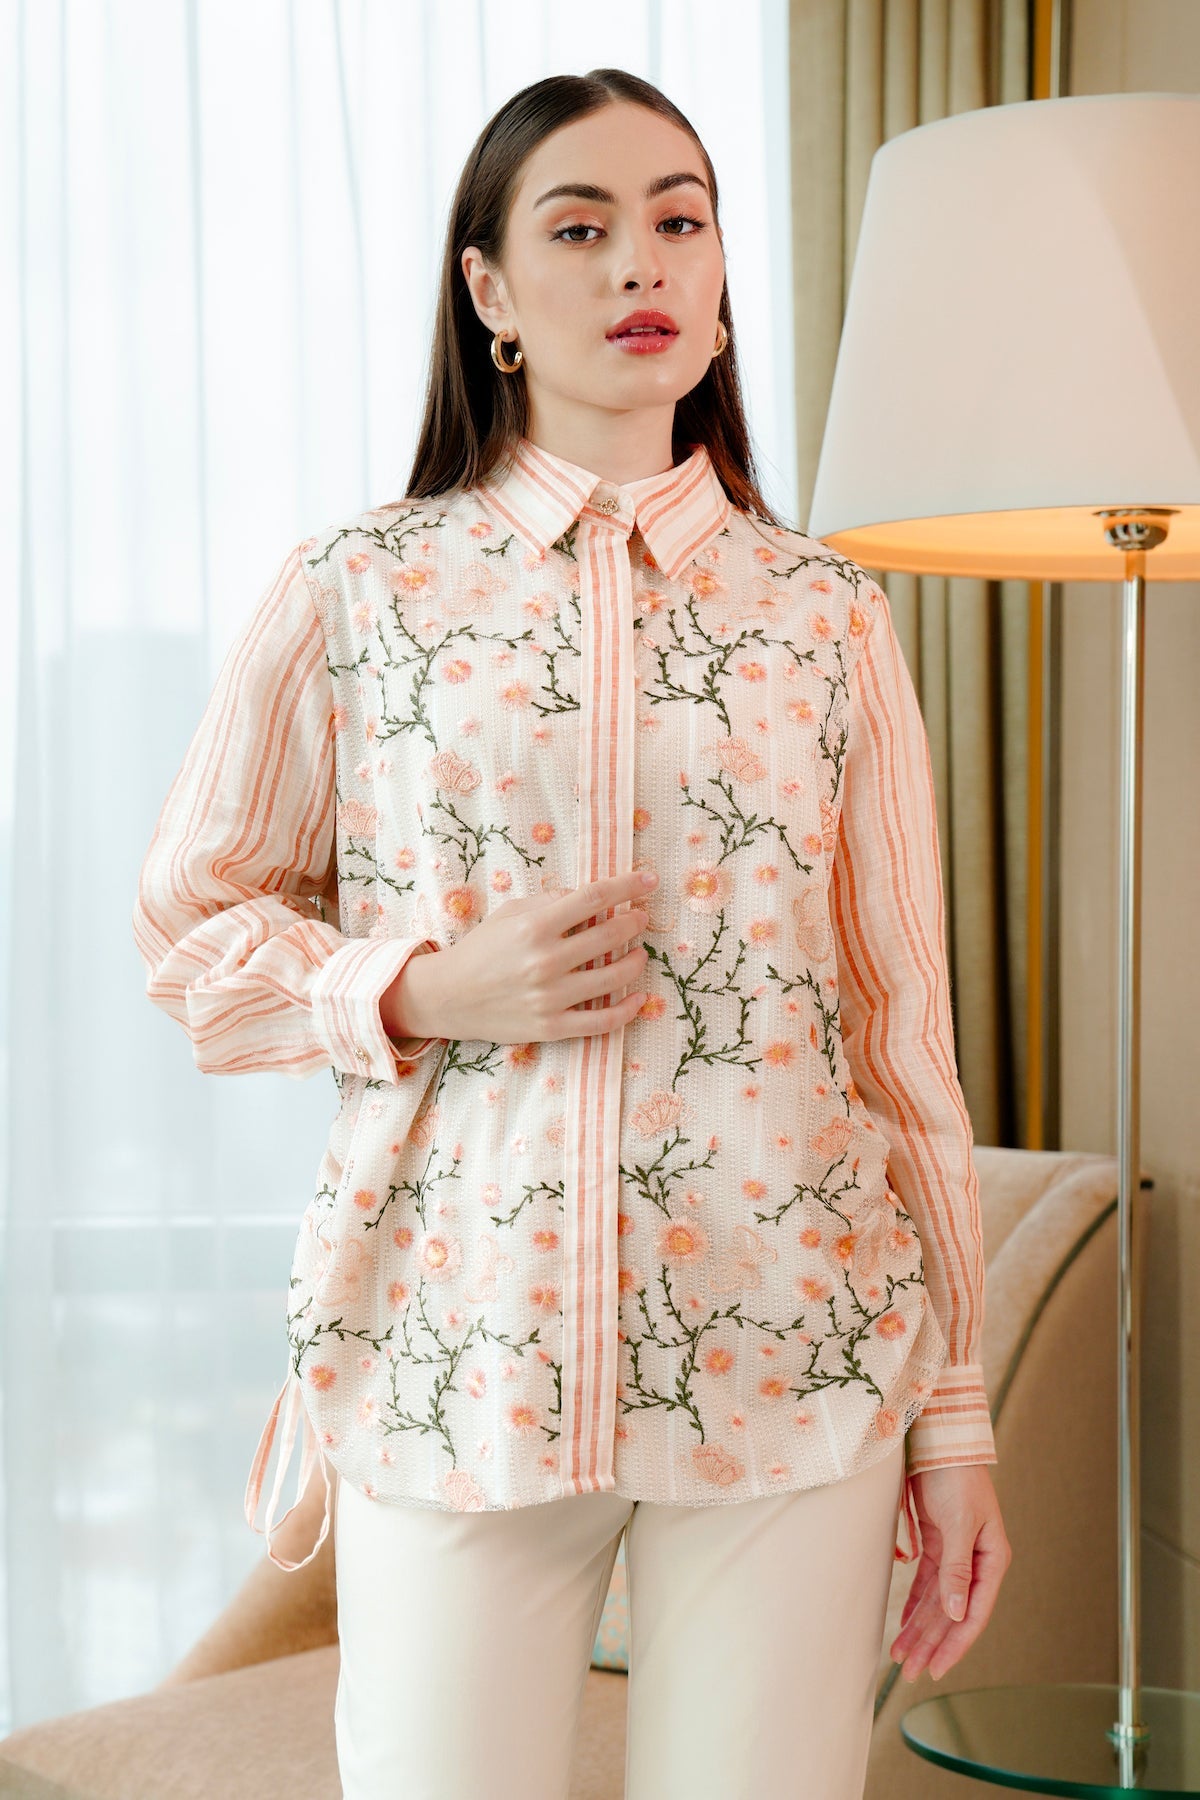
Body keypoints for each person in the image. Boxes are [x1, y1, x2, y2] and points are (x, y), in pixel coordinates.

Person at [133, 65, 1011, 1800]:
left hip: (797, 1341)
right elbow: (192, 931)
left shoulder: (826, 618)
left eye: (679, 220)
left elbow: (900, 1025)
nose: (640, 264)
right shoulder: (357, 589)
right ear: (491, 290)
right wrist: (419, 988)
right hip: (456, 1338)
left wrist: (957, 1416)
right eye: (582, 226)